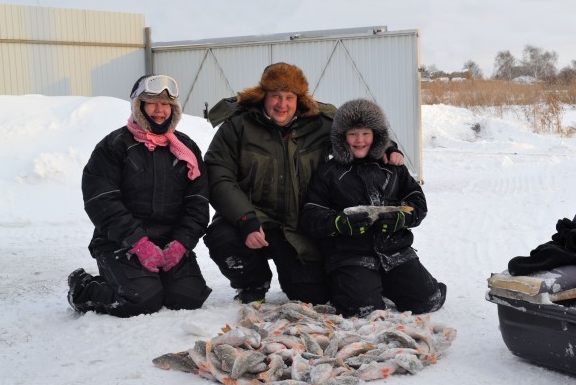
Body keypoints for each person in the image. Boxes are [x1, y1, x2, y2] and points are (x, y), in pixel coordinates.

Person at [203, 63, 404, 304]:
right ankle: (252, 283)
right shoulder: (238, 126)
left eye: (289, 97)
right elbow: (218, 173)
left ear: (299, 98)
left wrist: (388, 147)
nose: (282, 104)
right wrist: (245, 218)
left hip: (300, 226)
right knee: (223, 237)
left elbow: (360, 129)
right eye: (275, 96)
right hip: (255, 218)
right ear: (263, 96)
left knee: (312, 296)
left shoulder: (321, 121)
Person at [67, 74, 212, 317]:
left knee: (189, 297)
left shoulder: (186, 149)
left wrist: (181, 243)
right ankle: (83, 289)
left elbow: (198, 201)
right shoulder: (113, 146)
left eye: (166, 104)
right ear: (138, 106)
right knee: (141, 299)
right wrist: (138, 243)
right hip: (120, 242)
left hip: (169, 242)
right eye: (152, 102)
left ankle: (157, 278)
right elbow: (101, 201)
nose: (159, 110)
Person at [299, 98, 446, 317]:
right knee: (362, 311)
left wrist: (403, 218)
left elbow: (417, 201)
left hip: (395, 251)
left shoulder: (393, 166)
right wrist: (340, 223)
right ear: (341, 137)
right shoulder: (328, 172)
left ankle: (387, 283)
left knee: (428, 302)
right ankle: (350, 286)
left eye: (366, 133)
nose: (359, 140)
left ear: (376, 135)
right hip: (350, 255)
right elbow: (311, 214)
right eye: (352, 134)